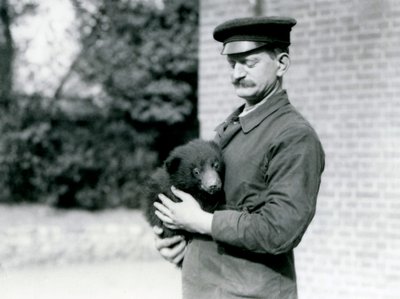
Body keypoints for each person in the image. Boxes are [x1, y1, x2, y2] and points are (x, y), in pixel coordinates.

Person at [153, 16, 325, 299]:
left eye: (250, 63)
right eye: (232, 64)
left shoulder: (294, 136)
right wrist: (177, 242)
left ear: (281, 63)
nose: (237, 74)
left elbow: (280, 229)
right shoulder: (229, 130)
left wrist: (200, 222)